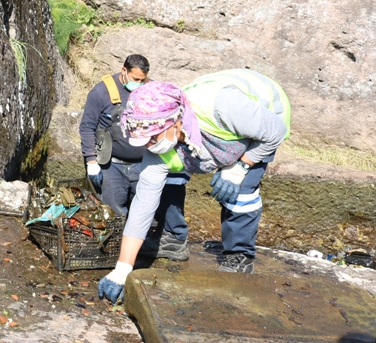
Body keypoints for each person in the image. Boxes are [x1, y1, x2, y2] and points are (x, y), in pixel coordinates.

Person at [97, 70, 290, 303]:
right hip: (202, 134)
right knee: (167, 179)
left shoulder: (224, 107)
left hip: (261, 121)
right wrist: (122, 269)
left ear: (175, 122)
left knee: (240, 193)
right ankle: (173, 239)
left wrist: (241, 167)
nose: (148, 145)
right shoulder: (158, 143)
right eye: (143, 140)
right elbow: (142, 207)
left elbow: (275, 132)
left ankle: (240, 256)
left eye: (152, 138)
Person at [79, 55, 190, 260]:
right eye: (135, 79)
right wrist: (91, 161)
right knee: (114, 209)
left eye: (142, 80)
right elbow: (87, 127)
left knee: (147, 210)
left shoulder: (152, 91)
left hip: (144, 162)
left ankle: (144, 251)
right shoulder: (101, 92)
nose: (138, 84)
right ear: (124, 71)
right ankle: (113, 251)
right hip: (112, 164)